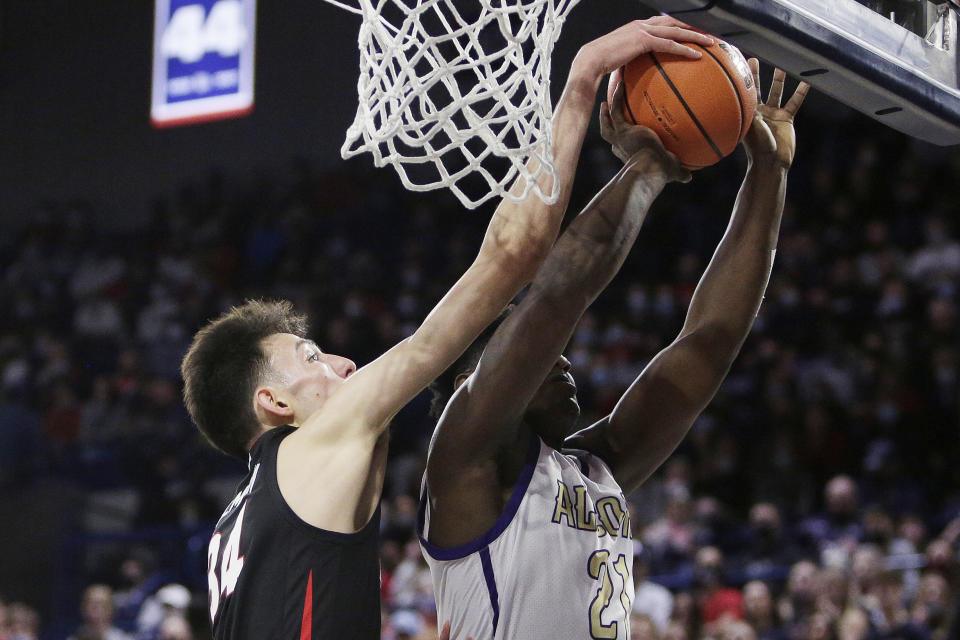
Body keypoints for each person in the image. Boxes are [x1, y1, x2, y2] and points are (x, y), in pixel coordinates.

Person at [179, 18, 715, 640]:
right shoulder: (311, 445)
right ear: (272, 402)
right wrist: (582, 80)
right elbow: (511, 258)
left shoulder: (233, 526)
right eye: (312, 357)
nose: (344, 364)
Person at [418, 61, 809, 640]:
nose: (562, 359)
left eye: (557, 354)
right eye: (525, 352)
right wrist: (649, 164)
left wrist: (768, 173)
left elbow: (710, 341)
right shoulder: (462, 457)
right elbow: (555, 299)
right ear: (463, 384)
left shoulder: (600, 470)